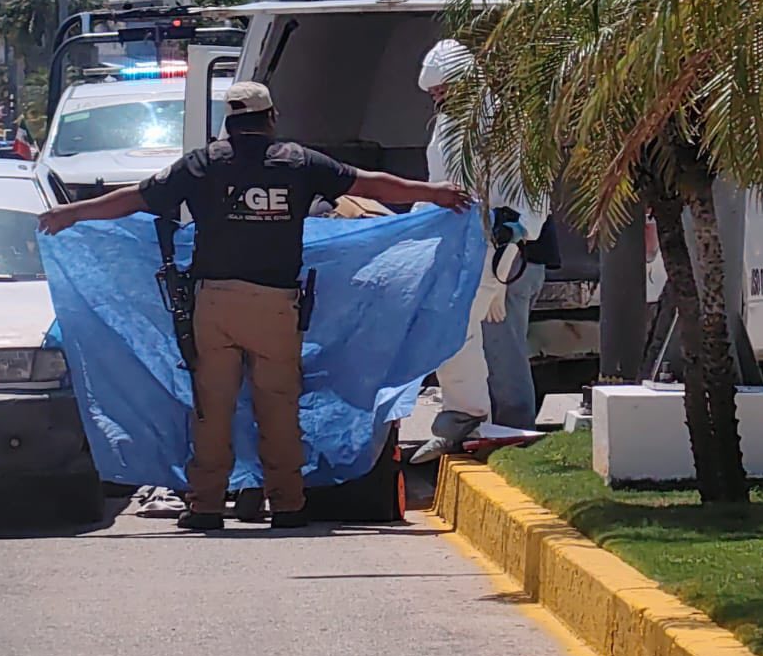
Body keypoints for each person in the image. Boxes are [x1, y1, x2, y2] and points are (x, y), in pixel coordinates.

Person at [40, 82, 471, 530]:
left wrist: (72, 214)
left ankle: (206, 505)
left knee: (212, 406)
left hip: (215, 303)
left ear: (228, 121)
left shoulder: (204, 164)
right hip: (275, 305)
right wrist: (435, 193)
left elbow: (138, 197)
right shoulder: (299, 163)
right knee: (279, 406)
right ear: (271, 117)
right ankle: (286, 504)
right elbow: (370, 185)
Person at [410, 40, 554, 463]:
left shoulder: (506, 122)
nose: (437, 99)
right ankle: (467, 415)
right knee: (455, 332)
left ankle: (473, 418)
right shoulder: (447, 124)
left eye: (443, 90)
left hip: (494, 243)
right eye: (434, 94)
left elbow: (533, 186)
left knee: (464, 332)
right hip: (456, 241)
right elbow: (442, 184)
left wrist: (519, 228)